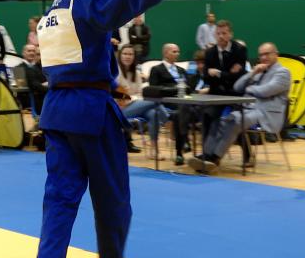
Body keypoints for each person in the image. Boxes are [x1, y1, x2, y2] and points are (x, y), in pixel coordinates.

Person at [35, 0, 207, 258]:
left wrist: (106, 82)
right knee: (113, 202)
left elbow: (65, 66)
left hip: (57, 114)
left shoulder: (49, 17)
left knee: (58, 201)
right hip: (90, 115)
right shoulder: (85, 1)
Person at [187, 42, 290, 172]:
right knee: (219, 120)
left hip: (266, 112)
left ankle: (215, 158)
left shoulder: (283, 72)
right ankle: (206, 155)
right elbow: (237, 86)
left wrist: (250, 88)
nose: (263, 58)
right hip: (248, 110)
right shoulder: (259, 71)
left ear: (276, 54)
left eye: (267, 54)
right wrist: (253, 72)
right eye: (261, 55)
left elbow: (266, 91)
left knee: (235, 121)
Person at [202, 20, 248, 148]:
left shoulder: (240, 50)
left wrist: (217, 73)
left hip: (235, 94)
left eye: (224, 33)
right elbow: (205, 76)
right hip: (216, 94)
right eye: (218, 33)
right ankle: (206, 154)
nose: (221, 36)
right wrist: (227, 74)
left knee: (236, 119)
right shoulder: (210, 52)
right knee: (207, 115)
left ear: (230, 34)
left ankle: (247, 155)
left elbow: (238, 76)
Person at [118, 44, 167, 156]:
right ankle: (166, 118)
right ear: (120, 55)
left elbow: (140, 93)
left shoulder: (136, 73)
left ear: (134, 57)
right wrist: (133, 97)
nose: (128, 56)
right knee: (155, 102)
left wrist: (133, 98)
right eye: (125, 54)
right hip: (120, 109)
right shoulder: (115, 72)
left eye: (130, 54)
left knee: (153, 113)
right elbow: (120, 98)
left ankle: (154, 150)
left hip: (136, 105)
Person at [21, 44, 48, 115]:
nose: (40, 57)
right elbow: (35, 85)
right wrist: (50, 86)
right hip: (40, 103)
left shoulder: (48, 69)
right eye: (38, 54)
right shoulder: (31, 69)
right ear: (35, 56)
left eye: (42, 54)